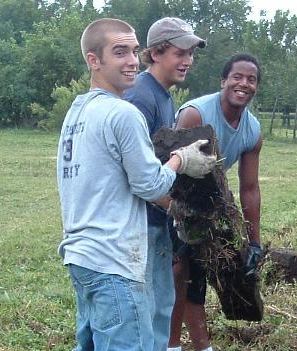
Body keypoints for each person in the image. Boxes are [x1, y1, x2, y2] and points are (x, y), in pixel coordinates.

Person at [56, 18, 216, 351]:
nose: (131, 61)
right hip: (114, 259)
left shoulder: (78, 110)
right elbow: (151, 185)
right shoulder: (124, 111)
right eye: (119, 52)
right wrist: (181, 160)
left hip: (81, 255)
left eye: (132, 51)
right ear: (93, 60)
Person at [169, 53, 264, 351]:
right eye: (237, 77)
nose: (244, 84)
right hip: (172, 198)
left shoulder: (253, 130)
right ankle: (171, 345)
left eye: (251, 79)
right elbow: (173, 174)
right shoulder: (195, 115)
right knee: (178, 270)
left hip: (209, 201)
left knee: (200, 272)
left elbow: (249, 188)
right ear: (223, 81)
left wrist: (254, 242)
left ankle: (201, 346)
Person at [124, 17, 206, 351]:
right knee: (142, 313)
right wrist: (175, 207)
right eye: (180, 52)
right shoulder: (140, 98)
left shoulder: (163, 96)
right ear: (156, 53)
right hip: (139, 225)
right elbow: (132, 174)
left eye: (191, 53)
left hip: (157, 222)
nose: (188, 60)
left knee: (160, 306)